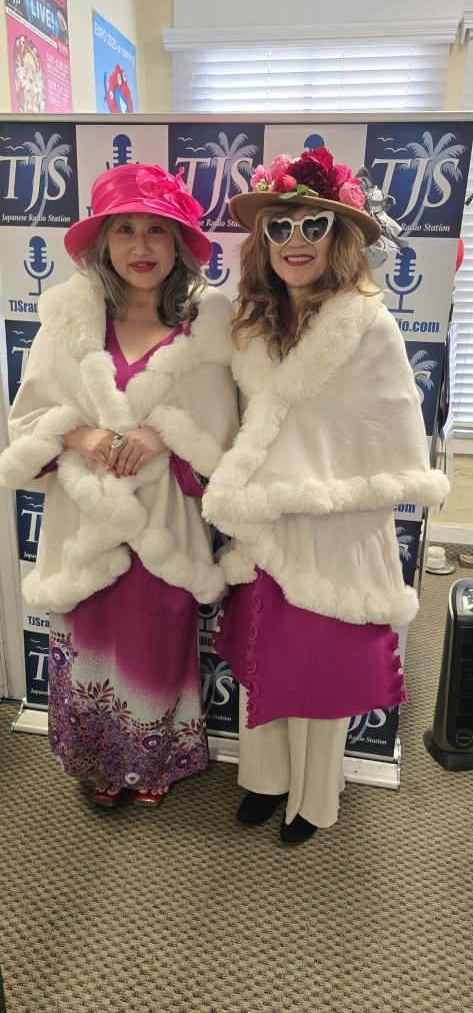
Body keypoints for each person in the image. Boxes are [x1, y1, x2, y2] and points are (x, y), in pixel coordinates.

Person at [202, 147, 450, 845]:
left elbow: (388, 428)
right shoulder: (250, 322)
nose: (296, 240)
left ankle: (314, 798)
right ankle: (264, 781)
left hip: (332, 525)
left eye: (313, 225)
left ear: (338, 236)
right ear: (263, 242)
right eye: (279, 227)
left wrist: (330, 490)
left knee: (319, 667)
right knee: (264, 659)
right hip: (264, 526)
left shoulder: (369, 324)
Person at [0, 163, 238, 807]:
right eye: (125, 230)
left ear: (179, 243)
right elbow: (29, 417)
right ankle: (100, 761)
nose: (141, 246)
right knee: (89, 637)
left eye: (156, 230)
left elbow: (225, 428)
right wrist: (80, 436)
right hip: (87, 521)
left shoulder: (206, 327)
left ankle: (153, 761)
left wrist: (165, 435)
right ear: (103, 242)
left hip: (162, 522)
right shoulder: (69, 323)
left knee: (158, 639)